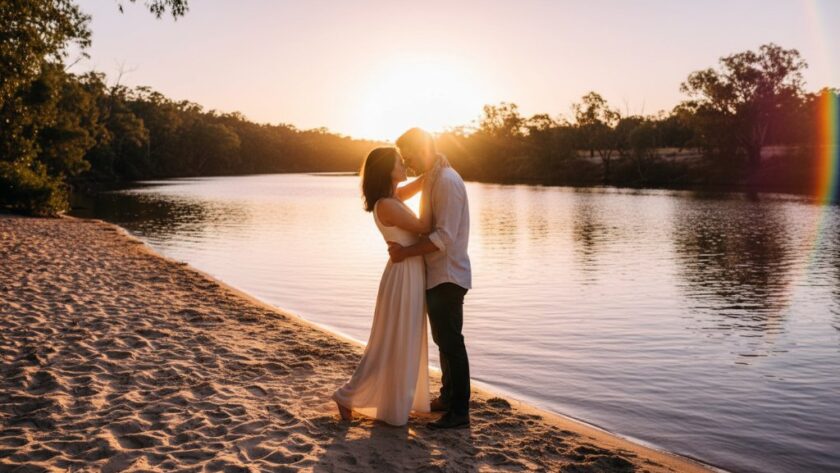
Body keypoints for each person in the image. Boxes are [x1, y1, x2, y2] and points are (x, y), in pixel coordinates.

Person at [332, 146, 433, 426]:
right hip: (403, 276)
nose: (404, 165)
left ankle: (394, 400)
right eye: (400, 162)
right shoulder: (387, 204)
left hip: (407, 272)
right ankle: (347, 395)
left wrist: (434, 171)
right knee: (390, 341)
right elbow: (425, 225)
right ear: (388, 170)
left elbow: (418, 185)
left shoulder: (391, 198)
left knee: (400, 339)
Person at [388, 128, 472, 430]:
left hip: (448, 274)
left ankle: (460, 411)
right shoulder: (435, 176)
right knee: (443, 340)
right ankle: (448, 398)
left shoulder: (447, 182)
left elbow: (444, 237)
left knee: (451, 343)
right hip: (437, 274)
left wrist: (406, 252)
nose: (405, 160)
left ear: (419, 148)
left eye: (407, 153)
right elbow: (395, 196)